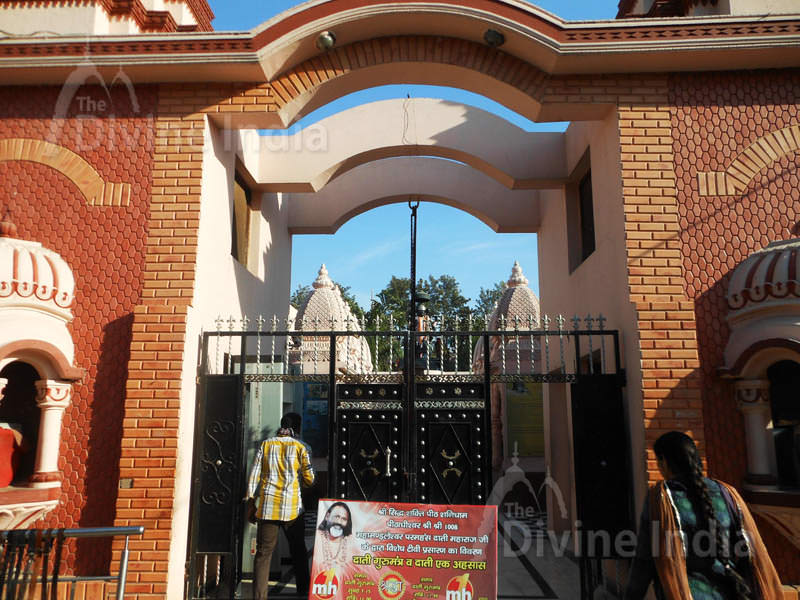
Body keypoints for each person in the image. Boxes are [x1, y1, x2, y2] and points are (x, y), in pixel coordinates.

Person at [624, 431, 784, 600]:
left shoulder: (661, 499)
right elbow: (750, 553)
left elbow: (644, 561)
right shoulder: (726, 493)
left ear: (664, 461)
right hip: (731, 592)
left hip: (687, 594)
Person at [246, 413, 315, 599]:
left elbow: (254, 476)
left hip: (267, 507)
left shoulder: (266, 445)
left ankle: (259, 596)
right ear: (298, 427)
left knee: (263, 553)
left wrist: (251, 503)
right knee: (298, 550)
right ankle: (303, 591)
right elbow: (310, 479)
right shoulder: (302, 447)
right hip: (293, 509)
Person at [316, 501, 355, 570]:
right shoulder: (318, 537)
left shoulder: (351, 543)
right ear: (327, 516)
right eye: (337, 517)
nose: (339, 522)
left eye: (344, 519)